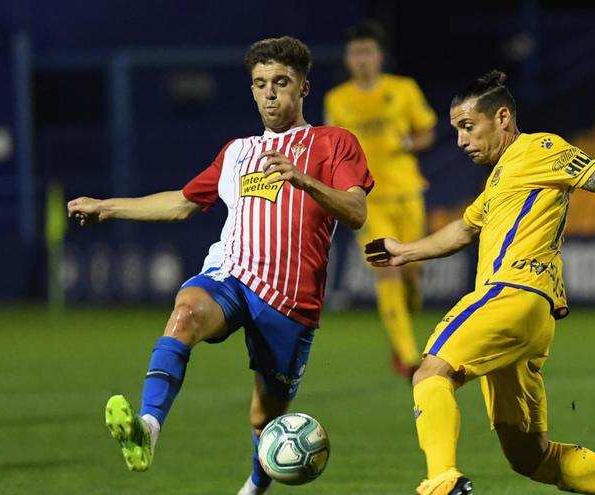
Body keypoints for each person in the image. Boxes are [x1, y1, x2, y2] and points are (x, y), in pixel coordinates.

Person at [365, 70, 595, 495]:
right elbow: (463, 230)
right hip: (531, 319)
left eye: (467, 127)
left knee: (430, 372)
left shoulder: (540, 148)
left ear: (501, 118)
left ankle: (441, 481)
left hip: (510, 296)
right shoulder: (500, 177)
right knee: (529, 457)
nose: (460, 141)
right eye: (456, 130)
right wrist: (405, 251)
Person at [67, 36, 373, 495]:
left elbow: (356, 212)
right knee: (186, 312)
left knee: (264, 420)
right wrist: (107, 207)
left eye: (281, 82)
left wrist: (303, 179)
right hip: (230, 275)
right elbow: (183, 203)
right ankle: (147, 429)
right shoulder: (237, 153)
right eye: (260, 83)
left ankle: (252, 489)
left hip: (290, 300)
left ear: (304, 88)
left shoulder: (333, 143)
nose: (270, 93)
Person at [324, 20, 437, 380]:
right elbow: (331, 147)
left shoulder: (403, 89)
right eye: (355, 52)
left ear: (379, 55)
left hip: (407, 192)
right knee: (387, 268)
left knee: (412, 277)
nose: (361, 59)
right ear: (347, 58)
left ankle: (399, 332)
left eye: (367, 51)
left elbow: (426, 132)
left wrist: (407, 143)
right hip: (366, 199)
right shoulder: (336, 100)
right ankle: (408, 356)